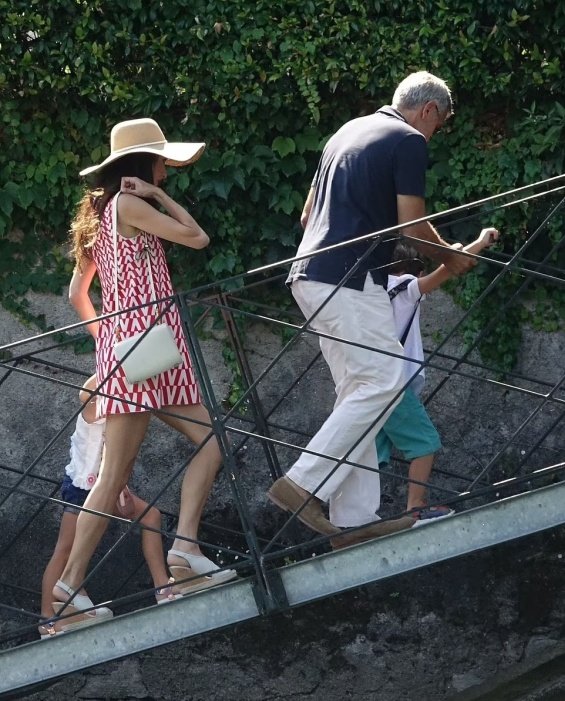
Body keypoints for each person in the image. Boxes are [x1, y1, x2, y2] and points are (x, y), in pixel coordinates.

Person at [268, 71, 490, 547]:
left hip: (309, 275)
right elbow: (412, 225)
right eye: (442, 124)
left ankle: (353, 520)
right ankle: (304, 482)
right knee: (387, 382)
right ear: (429, 110)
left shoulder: (346, 132)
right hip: (349, 279)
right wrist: (452, 256)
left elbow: (309, 216)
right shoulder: (408, 140)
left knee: (361, 391)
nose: (436, 134)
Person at [55, 118, 236, 623]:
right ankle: (69, 593)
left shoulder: (99, 216)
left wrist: (108, 340)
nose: (165, 170)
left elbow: (76, 295)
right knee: (112, 479)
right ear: (142, 166)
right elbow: (198, 238)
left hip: (137, 349)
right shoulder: (131, 204)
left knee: (211, 438)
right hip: (147, 349)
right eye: (161, 162)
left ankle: (185, 549)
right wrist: (158, 198)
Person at [39, 375, 211, 639]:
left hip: (108, 485)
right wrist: (118, 370)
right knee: (64, 549)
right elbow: (88, 396)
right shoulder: (94, 407)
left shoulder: (122, 410)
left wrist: (121, 488)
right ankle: (49, 620)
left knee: (150, 515)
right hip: (82, 487)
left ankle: (162, 587)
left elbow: (117, 456)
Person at [376, 228, 499, 524]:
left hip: (367, 381)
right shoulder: (403, 287)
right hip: (393, 384)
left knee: (372, 455)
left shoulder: (370, 291)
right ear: (408, 268)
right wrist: (480, 241)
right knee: (425, 443)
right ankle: (415, 507)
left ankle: (354, 518)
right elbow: (449, 269)